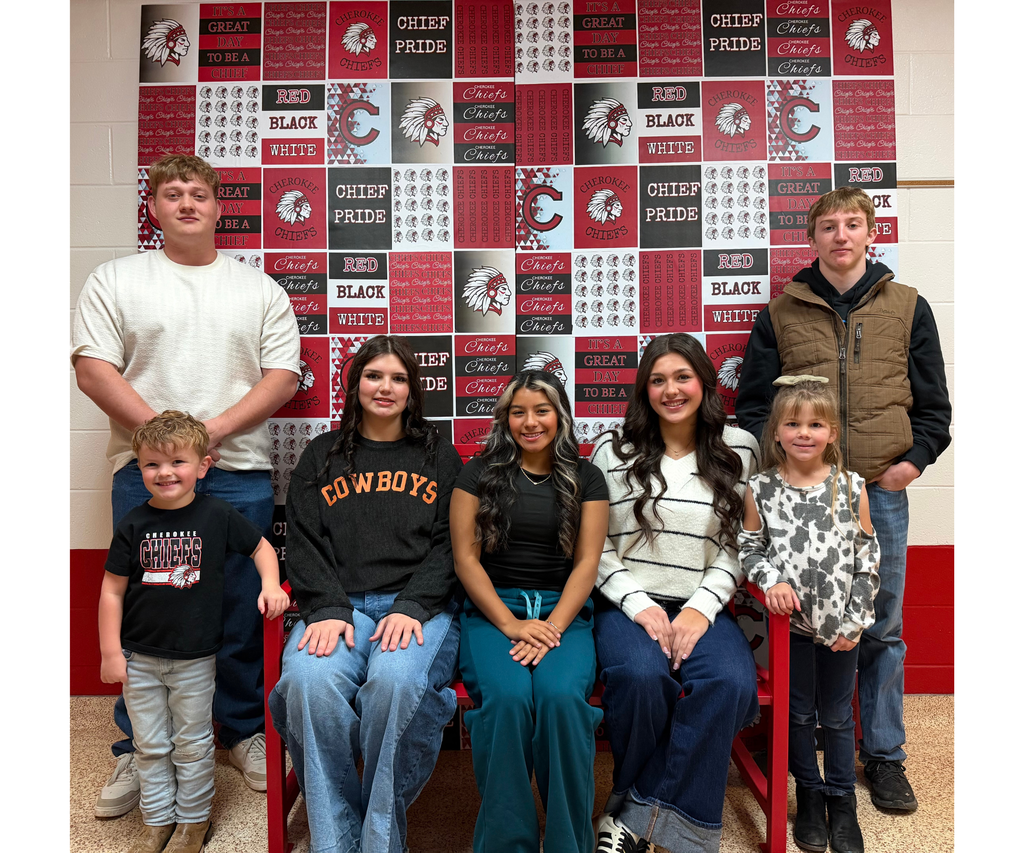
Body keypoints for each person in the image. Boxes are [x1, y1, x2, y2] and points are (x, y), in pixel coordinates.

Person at [74, 153, 300, 815]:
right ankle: (135, 751)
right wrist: (169, 446)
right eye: (171, 193)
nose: (186, 203)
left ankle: (243, 730)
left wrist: (210, 436)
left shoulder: (258, 290)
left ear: (217, 205)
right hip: (146, 478)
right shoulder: (115, 280)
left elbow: (282, 376)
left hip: (238, 475)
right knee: (151, 611)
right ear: (155, 208)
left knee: (236, 607)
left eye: (197, 192)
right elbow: (92, 368)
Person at [735, 186, 951, 812]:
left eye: (852, 223)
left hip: (878, 494)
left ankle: (882, 757)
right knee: (802, 625)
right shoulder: (782, 312)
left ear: (869, 233)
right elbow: (753, 405)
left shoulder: (909, 307)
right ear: (812, 238)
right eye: (827, 226)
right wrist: (783, 473)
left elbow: (934, 406)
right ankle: (808, 757)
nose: (841, 235)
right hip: (800, 499)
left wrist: (911, 464)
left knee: (880, 626)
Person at [268, 335, 463, 853]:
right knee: (309, 681)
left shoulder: (438, 455)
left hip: (417, 608)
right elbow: (304, 542)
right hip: (341, 606)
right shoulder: (320, 455)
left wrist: (413, 604)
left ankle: (379, 841)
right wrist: (328, 608)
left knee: (398, 684)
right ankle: (335, 842)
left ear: (413, 391)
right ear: (355, 385)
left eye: (398, 378)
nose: (386, 387)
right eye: (374, 375)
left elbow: (454, 544)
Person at [590, 333, 761, 853]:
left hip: (702, 605)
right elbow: (593, 547)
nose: (671, 390)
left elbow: (740, 546)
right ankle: (648, 811)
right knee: (641, 677)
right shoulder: (611, 450)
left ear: (704, 384)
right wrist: (639, 606)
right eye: (658, 380)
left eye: (682, 377)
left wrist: (701, 610)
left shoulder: (740, 450)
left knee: (730, 682)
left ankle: (630, 812)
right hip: (626, 603)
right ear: (644, 390)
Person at [99, 412, 290, 853]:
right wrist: (111, 652)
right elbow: (111, 591)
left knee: (191, 742)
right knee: (148, 744)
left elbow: (261, 548)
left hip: (195, 660)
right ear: (138, 466)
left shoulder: (218, 514)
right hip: (139, 658)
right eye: (151, 465)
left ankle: (193, 822)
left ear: (204, 465)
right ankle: (158, 820)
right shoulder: (132, 523)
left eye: (178, 462)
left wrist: (268, 584)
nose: (165, 473)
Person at [450, 370, 609, 853]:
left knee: (562, 700)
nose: (530, 421)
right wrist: (512, 623)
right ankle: (506, 843)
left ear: (559, 417)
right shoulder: (478, 473)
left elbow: (587, 563)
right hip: (495, 611)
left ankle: (568, 843)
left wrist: (553, 627)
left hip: (564, 614)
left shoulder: (586, 477)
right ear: (505, 418)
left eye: (541, 410)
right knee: (507, 700)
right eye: (518, 411)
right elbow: (465, 559)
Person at [739, 378, 880, 853]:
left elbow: (867, 558)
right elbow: (749, 548)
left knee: (838, 718)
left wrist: (855, 620)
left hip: (843, 628)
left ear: (833, 432)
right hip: (791, 631)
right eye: (792, 423)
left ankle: (843, 801)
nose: (804, 432)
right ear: (775, 432)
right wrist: (770, 580)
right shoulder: (761, 489)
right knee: (798, 715)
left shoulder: (850, 486)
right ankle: (810, 795)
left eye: (816, 424)